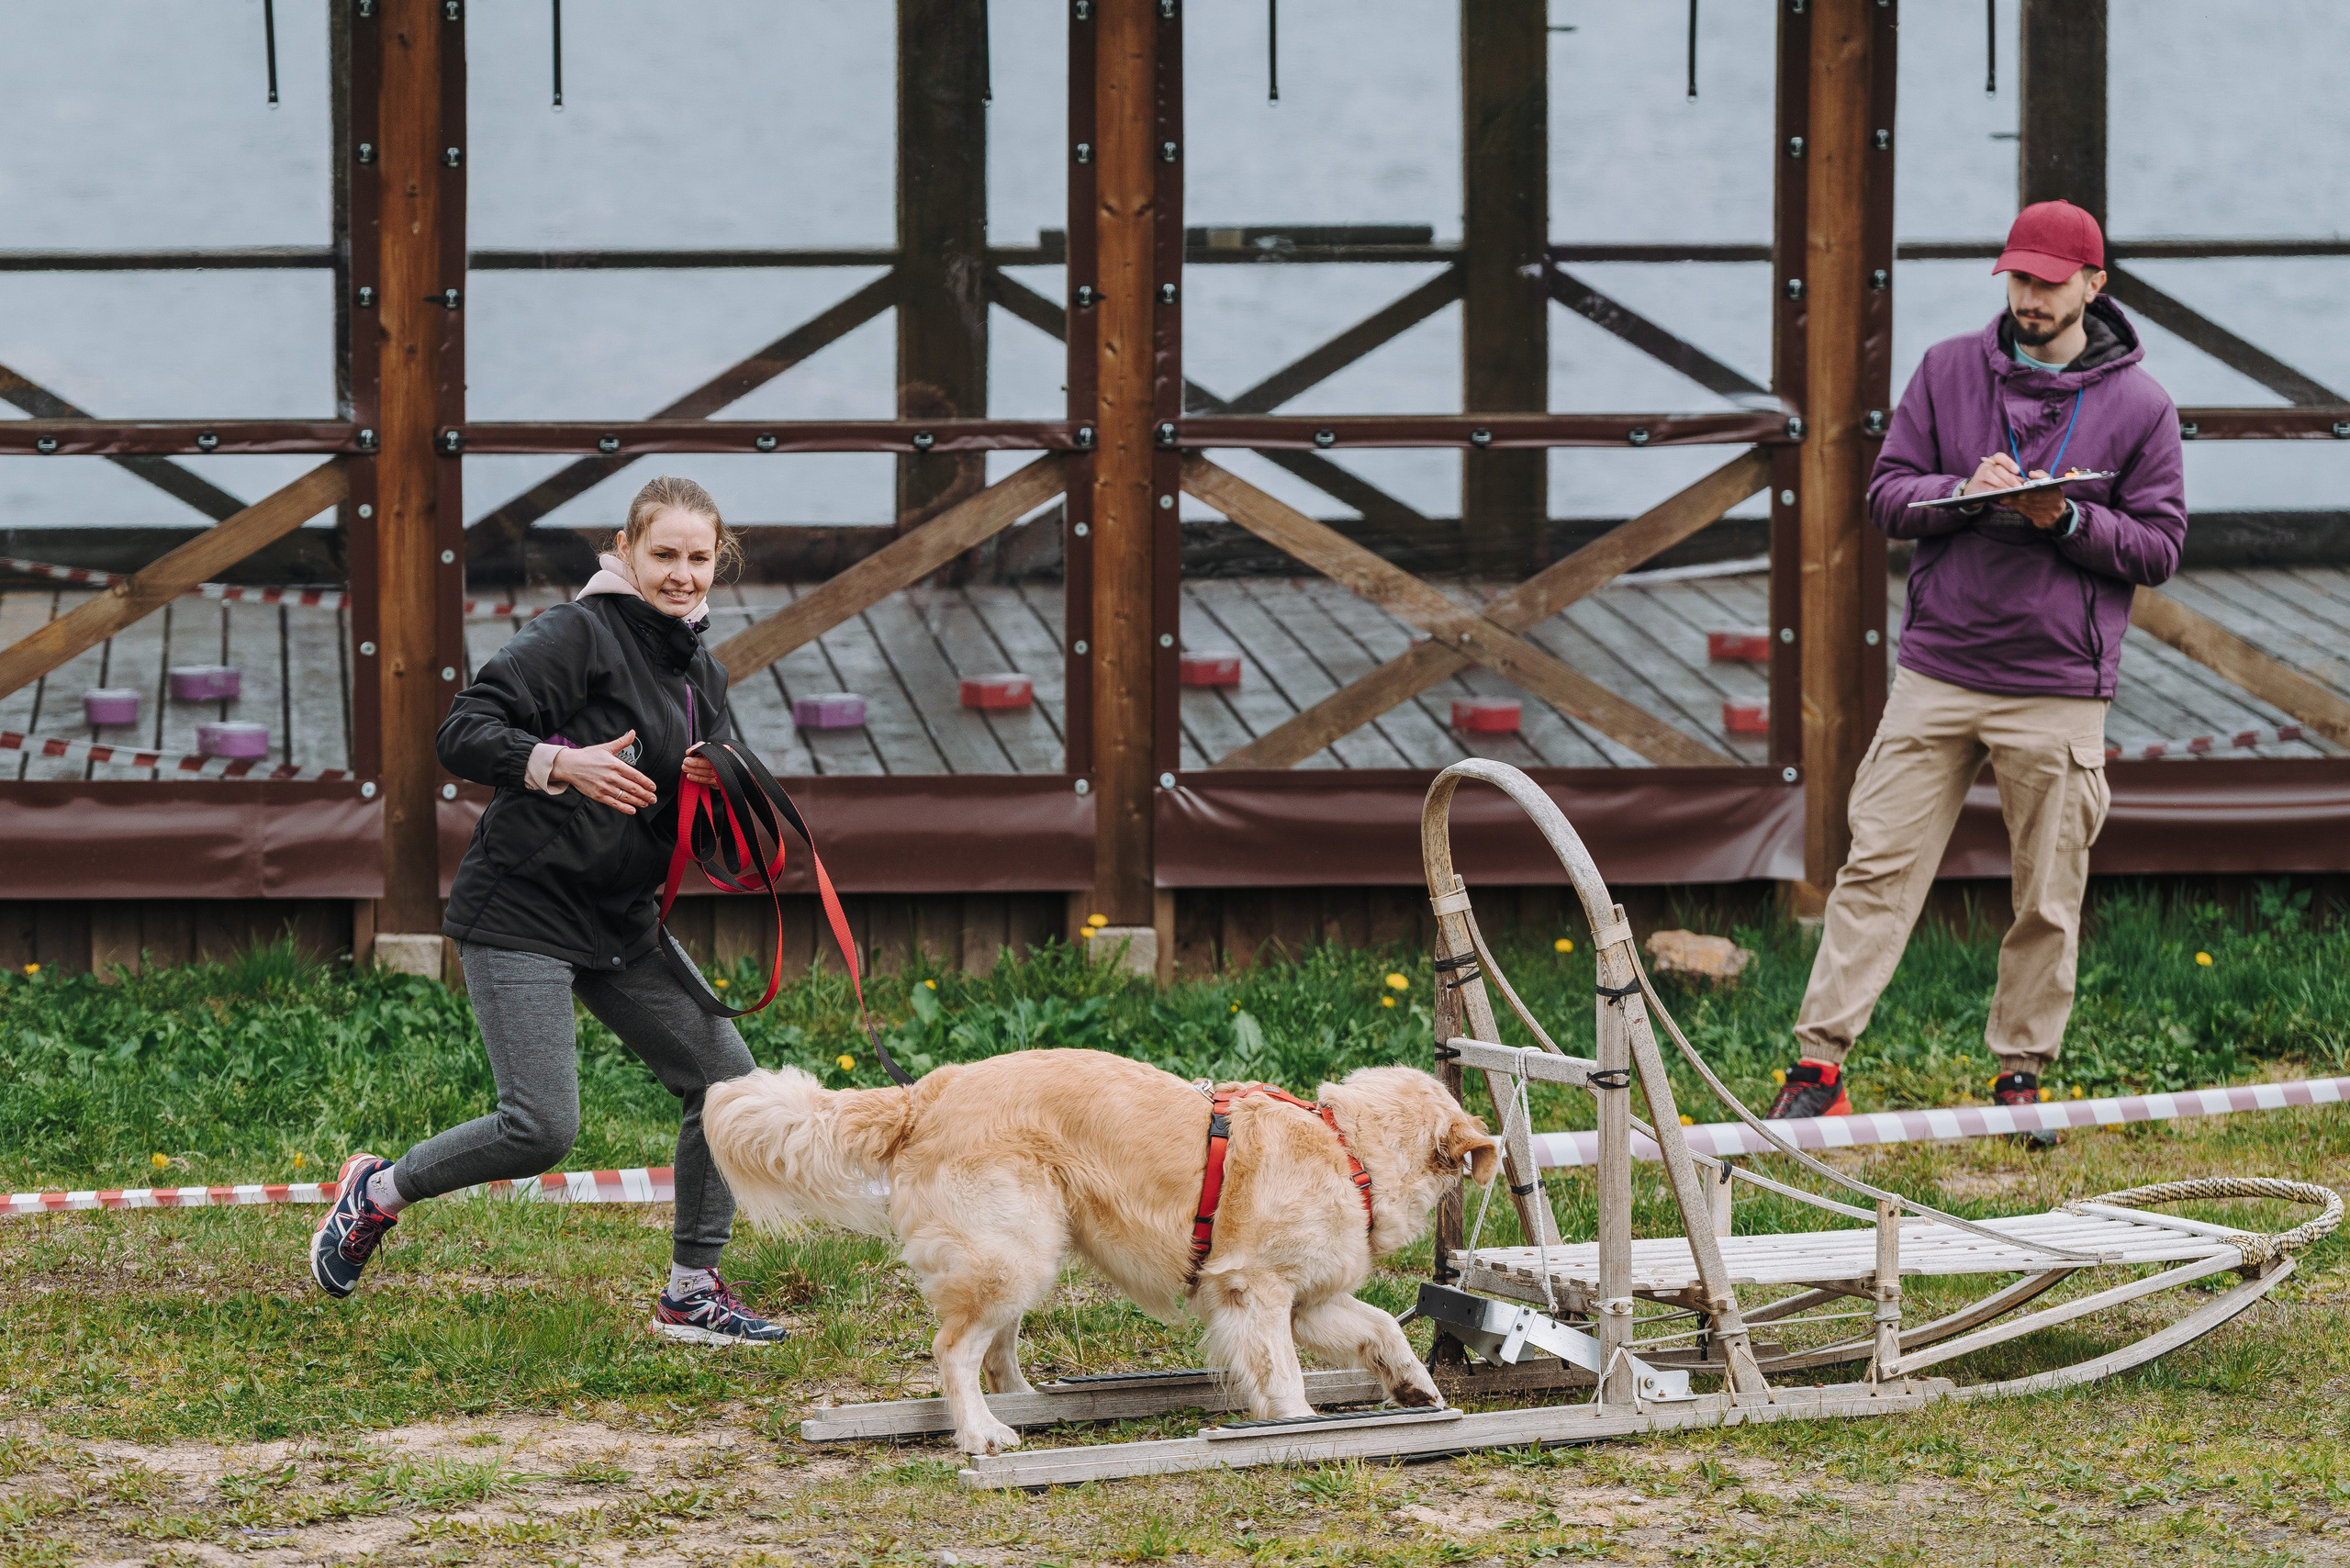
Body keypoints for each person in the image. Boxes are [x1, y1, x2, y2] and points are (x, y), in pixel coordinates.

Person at [309, 476, 787, 1343]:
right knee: (540, 1128)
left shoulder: (698, 670)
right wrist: (560, 764)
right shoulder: (580, 633)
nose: (682, 574)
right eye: (664, 555)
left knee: (729, 1087)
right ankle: (374, 1193)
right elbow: (462, 731)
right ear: (627, 550)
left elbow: (700, 825)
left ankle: (691, 1292)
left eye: (698, 558)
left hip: (621, 921)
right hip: (522, 909)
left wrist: (714, 787)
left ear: (720, 562)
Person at [1767, 200, 2186, 1137]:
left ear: (2093, 284)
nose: (2028, 295)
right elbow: (1885, 494)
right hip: (1939, 670)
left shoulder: (2142, 406)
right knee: (1874, 868)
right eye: (2016, 278)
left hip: (2059, 686)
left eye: (2046, 279)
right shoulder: (1947, 369)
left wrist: (2065, 519)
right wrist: (1960, 492)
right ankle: (1817, 1063)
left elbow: (2159, 547)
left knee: (2046, 891)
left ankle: (2020, 1076)